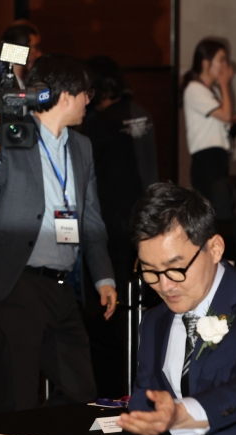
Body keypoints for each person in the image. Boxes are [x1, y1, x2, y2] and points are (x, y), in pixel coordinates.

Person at [0, 54, 117, 410]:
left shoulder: (82, 147)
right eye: (86, 93)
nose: (88, 101)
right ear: (66, 96)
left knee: (81, 390)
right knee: (20, 393)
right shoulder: (14, 134)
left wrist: (104, 278)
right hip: (17, 281)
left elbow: (92, 220)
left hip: (63, 284)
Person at [109, 183, 236, 435]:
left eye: (176, 267)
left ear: (214, 248)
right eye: (150, 271)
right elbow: (147, 413)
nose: (164, 285)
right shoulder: (154, 322)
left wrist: (180, 414)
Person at [81, 55, 158, 296]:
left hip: (112, 222)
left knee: (117, 289)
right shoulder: (142, 112)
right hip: (147, 215)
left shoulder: (98, 125)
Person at [182, 38, 236, 201]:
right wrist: (224, 84)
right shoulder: (194, 89)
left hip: (219, 158)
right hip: (206, 161)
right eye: (221, 60)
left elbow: (220, 128)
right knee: (212, 212)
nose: (225, 65)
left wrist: (234, 126)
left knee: (221, 210)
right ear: (205, 63)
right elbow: (225, 115)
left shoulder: (213, 92)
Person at [0, 22, 43, 88]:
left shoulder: (24, 84)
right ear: (19, 48)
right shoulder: (3, 85)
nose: (39, 54)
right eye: (36, 47)